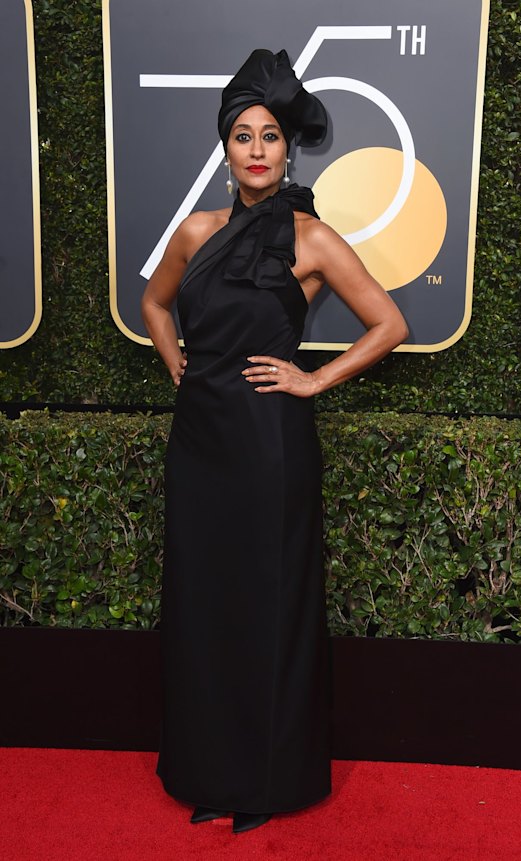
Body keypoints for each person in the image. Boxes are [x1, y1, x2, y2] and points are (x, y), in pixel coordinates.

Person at [141, 48, 409, 835]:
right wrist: (178, 365)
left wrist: (313, 380)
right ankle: (207, 771)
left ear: (288, 149)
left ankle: (264, 777)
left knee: (269, 603)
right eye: (242, 136)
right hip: (200, 443)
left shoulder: (312, 238)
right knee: (203, 605)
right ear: (226, 149)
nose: (256, 149)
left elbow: (389, 323)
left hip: (270, 445)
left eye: (269, 136)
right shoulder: (196, 231)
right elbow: (154, 304)